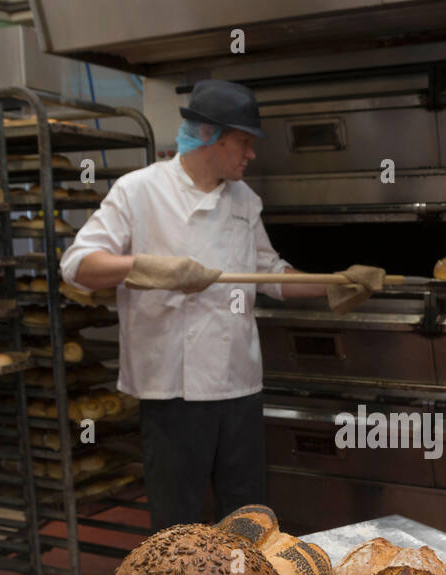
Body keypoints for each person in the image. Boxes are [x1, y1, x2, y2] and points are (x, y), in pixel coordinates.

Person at [59, 79, 383, 530]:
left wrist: (334, 284)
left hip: (239, 386)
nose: (251, 154)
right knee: (178, 525)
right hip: (172, 389)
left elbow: (268, 273)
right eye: (244, 142)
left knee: (248, 518)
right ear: (210, 136)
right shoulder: (139, 191)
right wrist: (150, 268)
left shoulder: (244, 200)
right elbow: (76, 265)